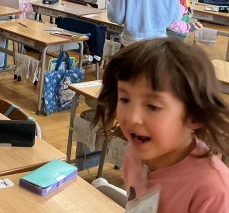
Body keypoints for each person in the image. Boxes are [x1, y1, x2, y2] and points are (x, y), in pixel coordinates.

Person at [93, 38, 229, 212]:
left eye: (153, 106)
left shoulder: (213, 191)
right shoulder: (134, 155)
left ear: (194, 116)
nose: (133, 118)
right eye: (125, 99)